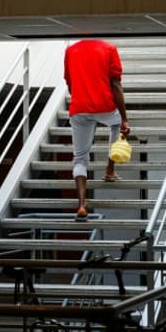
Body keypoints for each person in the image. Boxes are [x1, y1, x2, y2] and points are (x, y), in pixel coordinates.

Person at [64, 39, 131, 221]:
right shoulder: (109, 48)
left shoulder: (71, 50)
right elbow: (115, 85)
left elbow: (69, 83)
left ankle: (82, 205)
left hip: (79, 107)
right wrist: (125, 118)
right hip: (105, 106)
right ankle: (109, 170)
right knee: (117, 124)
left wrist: (81, 100)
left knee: (80, 158)